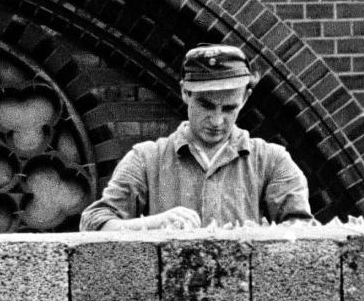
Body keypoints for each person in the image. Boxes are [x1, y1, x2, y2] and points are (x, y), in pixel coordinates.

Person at [79, 44, 313, 231]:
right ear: (185, 92)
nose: (217, 120)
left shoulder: (272, 161)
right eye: (206, 105)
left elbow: (304, 234)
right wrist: (153, 224)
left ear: (245, 98)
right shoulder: (146, 159)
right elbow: (94, 223)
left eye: (229, 108)